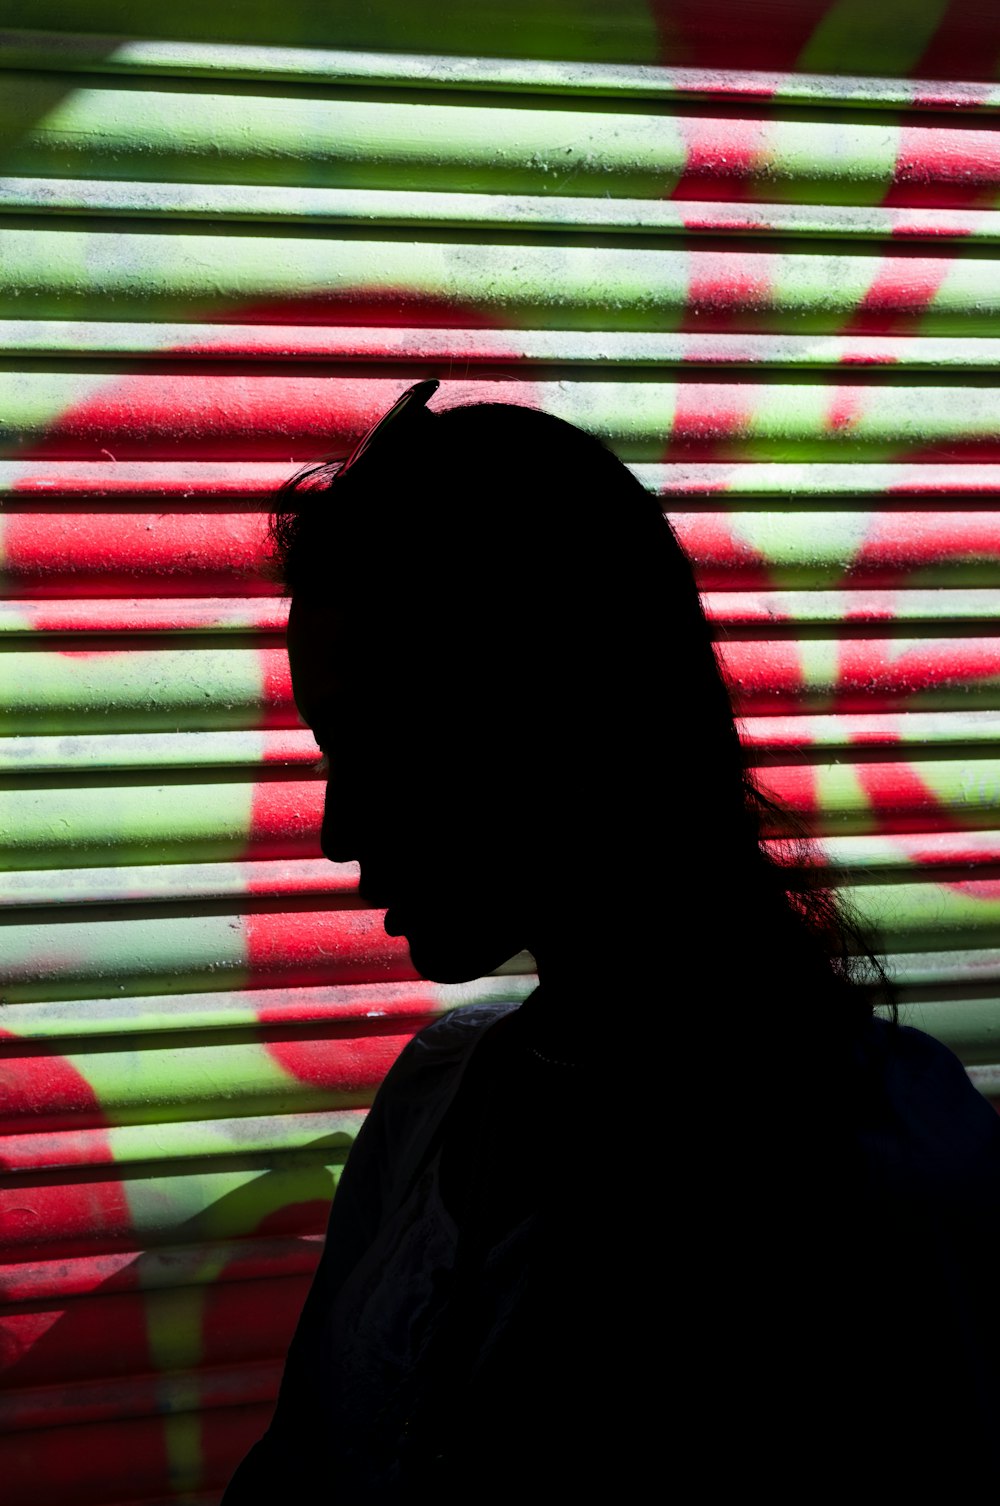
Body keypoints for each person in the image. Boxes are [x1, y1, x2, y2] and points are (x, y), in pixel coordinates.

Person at [223, 382, 1000, 1501]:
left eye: (379, 744)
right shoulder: (438, 1105)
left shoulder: (882, 1164)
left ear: (554, 714)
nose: (341, 831)